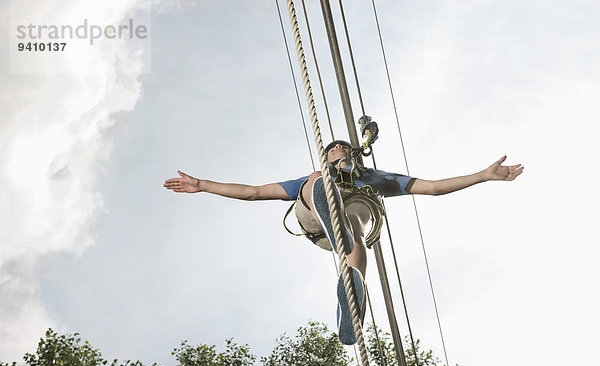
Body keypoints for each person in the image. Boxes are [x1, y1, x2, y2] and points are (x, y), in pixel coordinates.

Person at [163, 140, 523, 344]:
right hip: (317, 222)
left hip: (352, 223)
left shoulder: (376, 177)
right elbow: (254, 192)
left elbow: (432, 188)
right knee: (316, 180)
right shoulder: (318, 171)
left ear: (355, 153)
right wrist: (204, 185)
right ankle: (329, 210)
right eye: (331, 147)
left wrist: (482, 176)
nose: (336, 149)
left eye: (342, 147)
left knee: (356, 223)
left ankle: (351, 302)